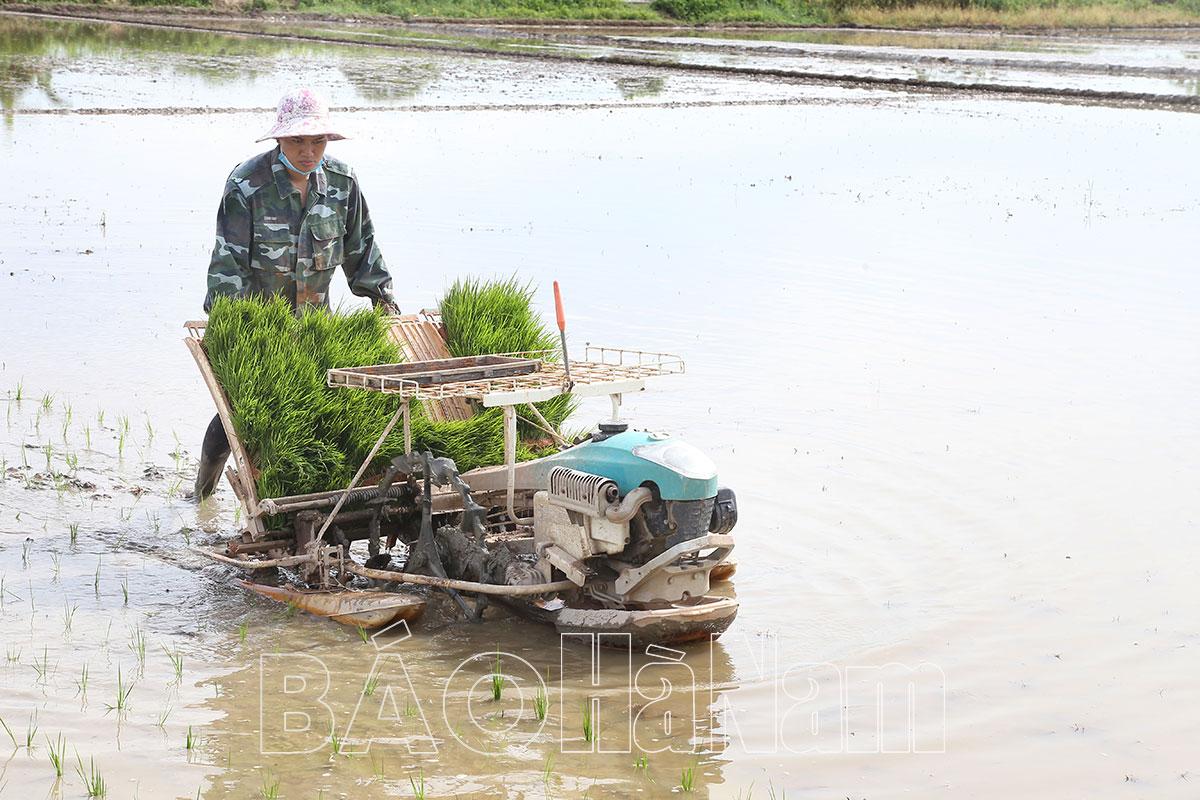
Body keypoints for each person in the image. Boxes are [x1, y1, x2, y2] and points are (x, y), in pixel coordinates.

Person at [194, 88, 399, 499]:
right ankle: (202, 495)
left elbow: (361, 249)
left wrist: (383, 300)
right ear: (279, 140)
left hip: (314, 328)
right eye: (297, 141)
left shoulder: (342, 184)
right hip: (258, 327)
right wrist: (234, 333)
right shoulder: (246, 185)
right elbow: (228, 265)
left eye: (317, 141)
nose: (308, 152)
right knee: (236, 415)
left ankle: (294, 498)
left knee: (311, 415)